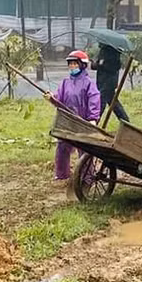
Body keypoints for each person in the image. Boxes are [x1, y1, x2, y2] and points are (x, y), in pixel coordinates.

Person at [44, 50, 101, 184]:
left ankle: (87, 177)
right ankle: (62, 175)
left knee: (84, 150)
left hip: (82, 121)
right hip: (67, 120)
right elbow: (60, 99)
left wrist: (92, 118)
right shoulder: (65, 83)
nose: (72, 67)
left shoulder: (88, 83)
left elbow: (94, 99)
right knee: (62, 146)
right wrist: (51, 98)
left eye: (75, 64)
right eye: (70, 64)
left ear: (82, 65)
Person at [91, 43, 130, 122]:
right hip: (102, 81)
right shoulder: (104, 50)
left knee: (101, 102)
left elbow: (112, 67)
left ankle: (95, 121)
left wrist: (100, 65)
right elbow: (97, 65)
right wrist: (95, 64)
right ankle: (125, 121)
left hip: (108, 82)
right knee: (114, 103)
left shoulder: (113, 51)